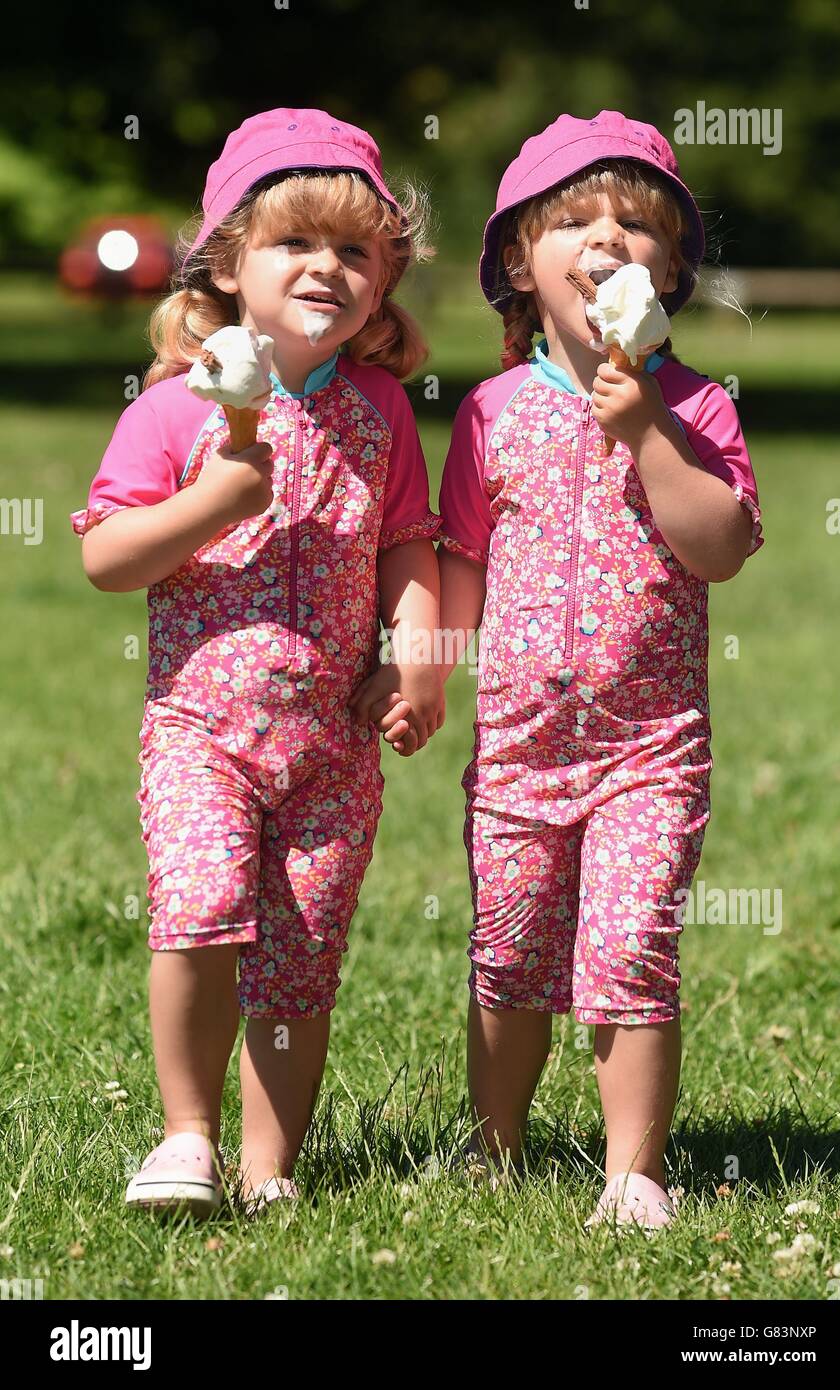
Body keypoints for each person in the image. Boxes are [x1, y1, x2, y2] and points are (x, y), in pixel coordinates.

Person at [357, 109, 763, 1227]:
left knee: (631, 950)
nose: (607, 239)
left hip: (649, 748)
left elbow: (721, 547)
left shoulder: (696, 406)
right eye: (574, 222)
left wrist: (648, 431)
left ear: (669, 271)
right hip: (520, 754)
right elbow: (463, 563)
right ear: (518, 269)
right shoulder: (491, 413)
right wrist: (425, 673)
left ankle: (632, 1172)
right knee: (509, 954)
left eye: (637, 224)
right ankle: (495, 1152)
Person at [71, 108, 444, 1217]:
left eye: (355, 249)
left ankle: (270, 1165)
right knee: (200, 910)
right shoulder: (173, 407)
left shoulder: (382, 411)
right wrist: (213, 501)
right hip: (203, 730)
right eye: (294, 242)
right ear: (229, 265)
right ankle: (186, 1136)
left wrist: (417, 662)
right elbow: (105, 558)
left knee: (302, 954)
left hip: (334, 741)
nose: (326, 266)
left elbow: (406, 545)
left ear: (383, 280)